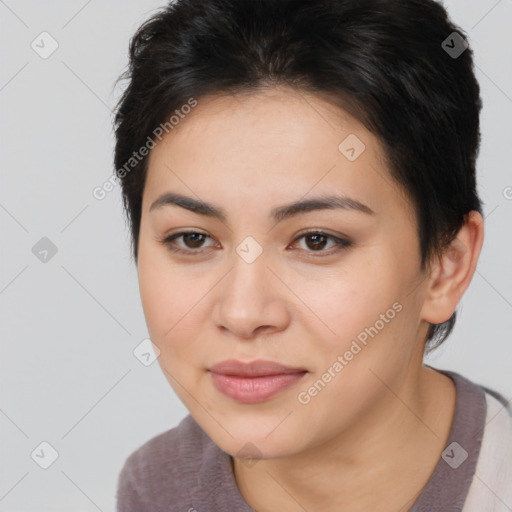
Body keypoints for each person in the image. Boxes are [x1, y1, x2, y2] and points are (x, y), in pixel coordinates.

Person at [113, 0, 512, 510]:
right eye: (193, 239)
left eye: (316, 240)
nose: (243, 313)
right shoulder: (158, 490)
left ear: (444, 267)